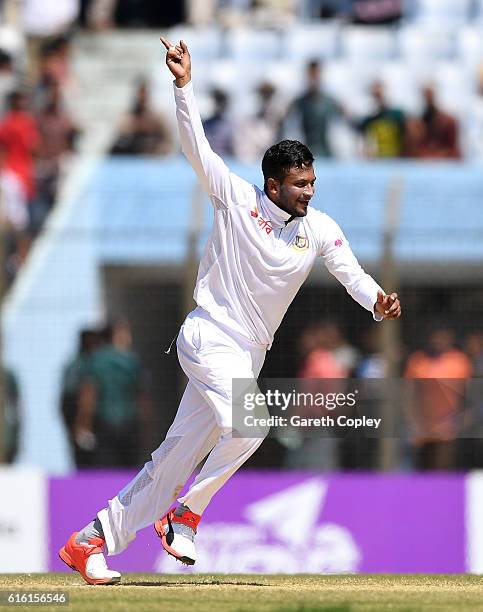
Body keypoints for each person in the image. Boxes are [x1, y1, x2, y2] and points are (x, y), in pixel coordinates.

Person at [59, 37, 401, 586]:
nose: (310, 192)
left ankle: (91, 541)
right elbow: (196, 146)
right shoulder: (236, 198)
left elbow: (353, 275)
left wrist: (378, 301)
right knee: (252, 423)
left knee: (170, 463)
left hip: (246, 354)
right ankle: (185, 514)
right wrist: (183, 86)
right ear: (274, 184)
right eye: (300, 184)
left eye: (313, 182)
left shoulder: (319, 230)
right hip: (208, 335)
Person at [404, 325, 472, 470]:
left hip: (449, 424)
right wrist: (413, 421)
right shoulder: (418, 361)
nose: (439, 341)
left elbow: (467, 393)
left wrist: (460, 419)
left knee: (443, 467)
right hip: (423, 425)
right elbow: (410, 393)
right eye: (436, 337)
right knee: (423, 467)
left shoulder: (459, 361)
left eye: (443, 337)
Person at [284, 60, 340, 158]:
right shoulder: (299, 101)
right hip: (305, 153)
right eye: (311, 75)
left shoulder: (329, 101)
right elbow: (287, 124)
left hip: (326, 153)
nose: (314, 79)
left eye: (316, 74)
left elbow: (342, 125)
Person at [406, 85, 461, 160]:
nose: (428, 98)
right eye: (426, 95)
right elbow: (413, 150)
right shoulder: (417, 122)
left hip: (443, 164)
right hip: (424, 163)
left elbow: (454, 151)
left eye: (430, 95)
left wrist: (436, 156)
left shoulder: (448, 121)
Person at [357, 81, 406, 158]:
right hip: (379, 161)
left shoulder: (397, 115)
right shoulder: (370, 119)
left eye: (380, 95)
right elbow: (364, 139)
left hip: (397, 159)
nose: (379, 98)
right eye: (375, 96)